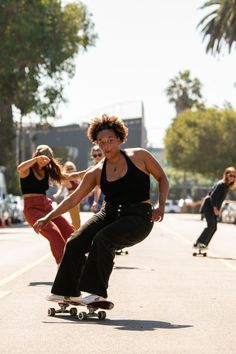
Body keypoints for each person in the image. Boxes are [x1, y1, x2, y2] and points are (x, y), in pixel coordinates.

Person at [33, 114, 169, 305]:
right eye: (101, 142)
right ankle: (67, 292)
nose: (106, 146)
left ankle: (97, 293)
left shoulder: (140, 156)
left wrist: (161, 205)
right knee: (75, 242)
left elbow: (163, 178)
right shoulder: (96, 171)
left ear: (120, 139)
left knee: (103, 239)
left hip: (138, 216)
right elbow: (74, 198)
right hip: (109, 213)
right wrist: (48, 216)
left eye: (111, 141)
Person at [17, 144, 84, 265]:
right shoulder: (27, 170)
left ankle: (78, 264)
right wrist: (35, 160)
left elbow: (67, 177)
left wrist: (87, 172)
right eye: (42, 158)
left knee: (70, 232)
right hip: (32, 209)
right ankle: (63, 267)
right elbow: (19, 168)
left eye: (47, 159)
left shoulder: (47, 170)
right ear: (37, 156)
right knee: (54, 234)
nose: (44, 161)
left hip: (46, 206)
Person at [193, 166, 236, 249]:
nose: (232, 178)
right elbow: (213, 197)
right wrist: (215, 208)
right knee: (211, 226)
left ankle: (203, 244)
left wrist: (218, 209)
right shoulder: (221, 184)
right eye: (230, 175)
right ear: (226, 175)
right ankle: (199, 243)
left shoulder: (226, 186)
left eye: (234, 176)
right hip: (209, 206)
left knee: (214, 227)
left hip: (213, 207)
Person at [53, 161, 82, 230]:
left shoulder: (77, 177)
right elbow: (61, 188)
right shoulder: (66, 179)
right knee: (75, 217)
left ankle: (74, 231)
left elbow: (82, 186)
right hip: (71, 198)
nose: (70, 170)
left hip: (77, 197)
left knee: (76, 217)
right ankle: (76, 232)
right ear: (65, 169)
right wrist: (57, 194)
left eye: (71, 168)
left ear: (74, 168)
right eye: (68, 168)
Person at [87, 145, 104, 212]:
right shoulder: (93, 168)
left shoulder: (108, 165)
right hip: (95, 196)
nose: (97, 157)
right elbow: (96, 185)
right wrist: (95, 201)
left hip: (104, 196)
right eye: (95, 155)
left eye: (99, 154)